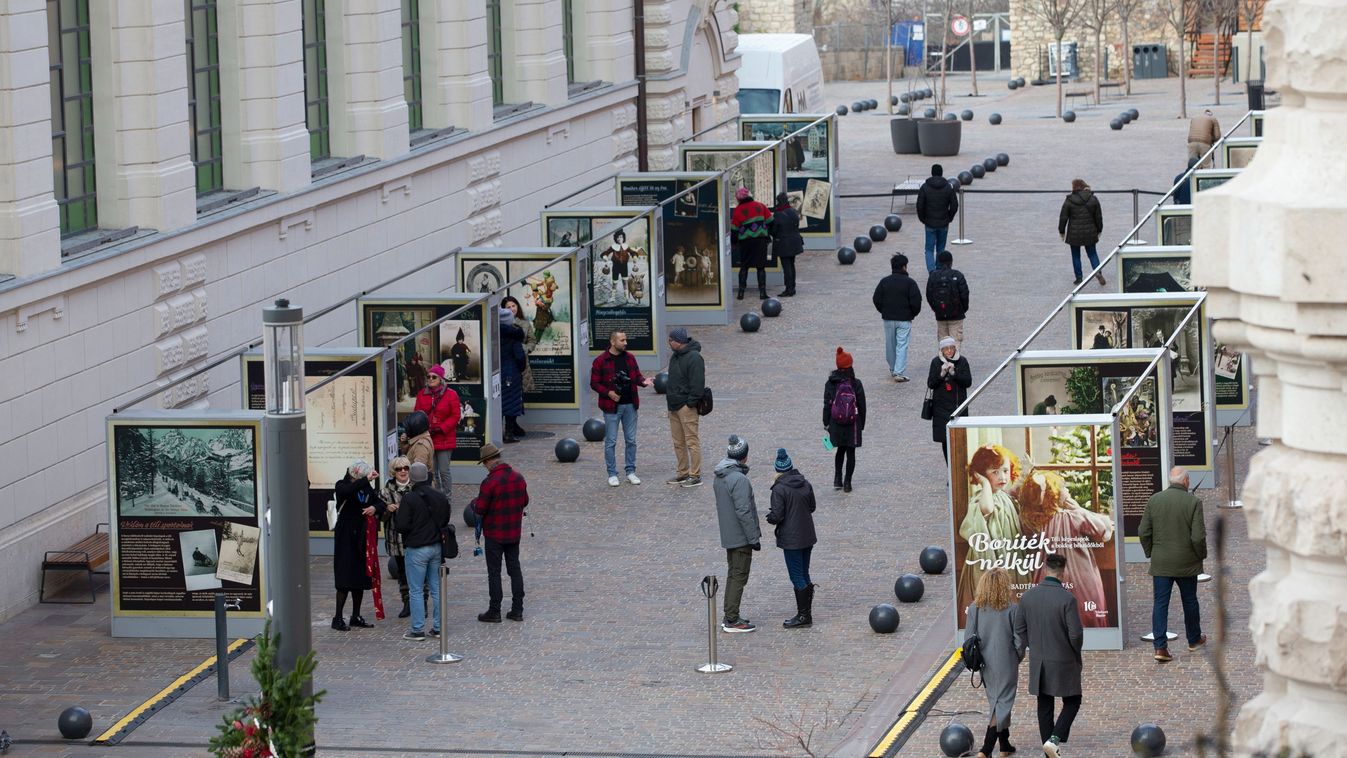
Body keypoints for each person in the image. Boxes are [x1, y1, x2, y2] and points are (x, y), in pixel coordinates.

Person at [1019, 469, 1115, 628]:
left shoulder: (1033, 522)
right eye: (1062, 487)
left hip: (1046, 577)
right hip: (1080, 578)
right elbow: (1103, 530)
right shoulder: (1073, 516)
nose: (1067, 490)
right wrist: (1079, 508)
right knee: (1084, 614)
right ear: (1053, 494)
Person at [1014, 553, 1084, 758]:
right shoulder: (1067, 599)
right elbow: (1076, 634)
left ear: (1045, 570)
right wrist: (1074, 650)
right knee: (1073, 700)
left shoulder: (1027, 597)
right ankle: (1054, 740)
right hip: (1064, 659)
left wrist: (1032, 648)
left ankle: (1048, 750)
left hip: (1039, 660)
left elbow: (1020, 629)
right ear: (1063, 572)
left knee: (1044, 705)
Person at [1139, 466, 1207, 663]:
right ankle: (1194, 640)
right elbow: (1197, 537)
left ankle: (1160, 647)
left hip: (1161, 562)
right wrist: (1200, 555)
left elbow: (1144, 531)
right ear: (1186, 481)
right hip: (1187, 562)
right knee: (1190, 601)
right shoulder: (1194, 502)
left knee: (1160, 603)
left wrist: (1151, 552)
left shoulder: (1155, 500)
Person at [965, 568, 1025, 758]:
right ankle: (986, 749)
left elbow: (968, 639)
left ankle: (1005, 744)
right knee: (1002, 702)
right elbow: (1019, 640)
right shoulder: (1013, 609)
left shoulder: (974, 608)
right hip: (1006, 661)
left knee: (996, 700)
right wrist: (1017, 656)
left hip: (985, 663)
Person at [959, 444, 1025, 610]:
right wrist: (985, 484)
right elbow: (987, 509)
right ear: (981, 473)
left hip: (1009, 557)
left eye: (1005, 470)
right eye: (994, 472)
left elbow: (1015, 493)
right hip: (991, 561)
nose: (1002, 476)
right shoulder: (981, 499)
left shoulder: (1004, 497)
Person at [470, 443, 528, 622]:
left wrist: (474, 503)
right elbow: (524, 501)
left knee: (494, 572)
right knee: (515, 569)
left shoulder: (489, 482)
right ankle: (517, 609)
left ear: (488, 461)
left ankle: (494, 611)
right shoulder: (518, 477)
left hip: (495, 534)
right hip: (513, 532)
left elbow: (480, 509)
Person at [393, 461, 450, 640]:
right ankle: (439, 627)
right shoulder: (439, 496)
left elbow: (401, 525)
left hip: (417, 548)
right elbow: (445, 518)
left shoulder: (410, 498)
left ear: (412, 477)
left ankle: (417, 629)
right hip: (436, 547)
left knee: (416, 590)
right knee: (436, 588)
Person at [589, 330, 653, 487]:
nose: (625, 343)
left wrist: (644, 381)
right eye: (622, 340)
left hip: (630, 404)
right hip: (611, 408)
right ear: (613, 342)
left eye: (626, 340)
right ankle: (612, 473)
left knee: (631, 440)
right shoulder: (600, 361)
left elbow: (636, 377)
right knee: (611, 441)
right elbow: (594, 383)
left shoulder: (630, 358)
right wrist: (608, 393)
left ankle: (630, 471)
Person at [713, 434, 762, 633]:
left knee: (734, 575)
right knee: (739, 576)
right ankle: (732, 618)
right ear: (744, 456)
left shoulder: (721, 476)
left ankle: (730, 615)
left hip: (729, 535)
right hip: (740, 537)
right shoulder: (739, 479)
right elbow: (744, 511)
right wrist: (753, 538)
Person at [765, 448, 817, 628]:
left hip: (792, 539)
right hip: (807, 536)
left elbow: (777, 516)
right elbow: (812, 507)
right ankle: (806, 614)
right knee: (804, 572)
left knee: (797, 576)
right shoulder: (805, 483)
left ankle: (803, 616)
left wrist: (770, 517)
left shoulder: (779, 489)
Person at [332, 460, 383, 631]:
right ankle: (338, 617)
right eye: (358, 478)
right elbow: (347, 491)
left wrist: (374, 509)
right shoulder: (342, 485)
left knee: (360, 578)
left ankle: (356, 615)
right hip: (346, 537)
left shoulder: (366, 488)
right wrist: (365, 480)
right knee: (344, 578)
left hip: (362, 538)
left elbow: (379, 503)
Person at [665, 327, 706, 488]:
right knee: (678, 442)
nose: (669, 342)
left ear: (679, 342)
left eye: (671, 340)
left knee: (691, 441)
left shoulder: (694, 358)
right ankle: (682, 473)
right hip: (674, 406)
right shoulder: (675, 356)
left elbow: (697, 384)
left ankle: (695, 475)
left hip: (686, 407)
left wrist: (690, 403)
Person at [872, 254, 922, 382]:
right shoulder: (910, 283)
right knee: (902, 345)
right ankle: (898, 371)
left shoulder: (884, 281)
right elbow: (916, 302)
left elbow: (876, 299)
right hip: (904, 319)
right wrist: (912, 314)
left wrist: (883, 311)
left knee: (890, 345)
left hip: (888, 319)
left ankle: (893, 368)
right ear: (904, 267)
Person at [823, 347, 867, 492]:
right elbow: (862, 405)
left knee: (840, 451)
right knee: (851, 452)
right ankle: (847, 483)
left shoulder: (831, 383)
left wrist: (826, 423)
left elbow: (827, 405)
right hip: (853, 423)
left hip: (836, 422)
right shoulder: (856, 383)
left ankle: (837, 479)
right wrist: (862, 424)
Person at [413, 365, 461, 493]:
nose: (430, 379)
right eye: (428, 376)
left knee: (444, 471)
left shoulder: (451, 394)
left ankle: (447, 498)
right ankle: (436, 497)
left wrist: (441, 428)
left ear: (440, 379)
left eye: (434, 377)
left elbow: (456, 415)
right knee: (431, 471)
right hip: (428, 438)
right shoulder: (421, 394)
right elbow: (417, 414)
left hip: (444, 437)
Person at [380, 456, 414, 619]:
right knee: (402, 572)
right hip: (396, 539)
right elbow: (380, 517)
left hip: (415, 538)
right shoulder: (386, 491)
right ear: (394, 471)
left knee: (418, 571)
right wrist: (387, 509)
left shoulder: (415, 488)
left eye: (406, 468)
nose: (403, 471)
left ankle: (421, 601)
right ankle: (407, 602)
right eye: (399, 469)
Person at [927, 337, 972, 462]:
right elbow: (931, 383)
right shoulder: (936, 362)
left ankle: (959, 469)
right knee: (945, 441)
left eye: (951, 348)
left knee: (960, 440)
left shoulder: (962, 361)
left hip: (958, 407)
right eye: (946, 349)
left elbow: (967, 382)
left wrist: (954, 374)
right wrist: (941, 375)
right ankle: (950, 472)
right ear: (941, 350)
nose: (949, 351)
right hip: (941, 409)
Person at [1058, 179, 1106, 287]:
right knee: (1092, 254)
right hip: (1090, 233)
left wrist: (1061, 231)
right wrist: (1099, 229)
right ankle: (1098, 272)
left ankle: (1079, 278)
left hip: (1074, 234)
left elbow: (1063, 217)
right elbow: (1098, 217)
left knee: (1076, 256)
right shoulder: (1093, 199)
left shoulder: (1069, 200)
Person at [915, 164, 959, 273]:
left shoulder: (925, 187)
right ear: (942, 173)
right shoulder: (948, 187)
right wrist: (949, 217)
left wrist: (923, 219)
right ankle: (939, 269)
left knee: (929, 249)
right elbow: (954, 205)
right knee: (941, 248)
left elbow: (919, 205)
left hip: (929, 222)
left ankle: (931, 271)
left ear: (932, 173)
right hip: (943, 222)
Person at [730, 186, 772, 300]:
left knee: (744, 267)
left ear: (739, 198)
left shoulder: (738, 210)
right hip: (760, 241)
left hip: (745, 242)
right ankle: (762, 293)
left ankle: (740, 293)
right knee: (760, 267)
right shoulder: (760, 206)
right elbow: (771, 221)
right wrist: (767, 233)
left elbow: (734, 229)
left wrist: (734, 243)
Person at [925, 250, 970, 346]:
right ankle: (953, 361)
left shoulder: (933, 276)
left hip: (940, 314)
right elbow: (965, 295)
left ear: (939, 262)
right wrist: (962, 310)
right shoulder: (958, 275)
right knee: (955, 344)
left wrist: (936, 308)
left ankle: (945, 361)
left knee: (943, 345)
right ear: (951, 261)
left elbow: (929, 295)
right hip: (956, 315)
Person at [498, 306, 528, 443]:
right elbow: (520, 356)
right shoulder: (514, 335)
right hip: (511, 372)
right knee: (512, 401)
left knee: (500, 402)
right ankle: (509, 432)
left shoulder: (493, 334)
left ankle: (498, 431)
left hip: (497, 372)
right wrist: (520, 368)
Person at [769, 192, 804, 297]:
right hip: (794, 242)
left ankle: (789, 289)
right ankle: (792, 287)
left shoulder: (778, 214)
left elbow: (774, 231)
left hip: (784, 243)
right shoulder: (793, 211)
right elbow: (797, 224)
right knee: (791, 265)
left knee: (786, 267)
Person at [502, 296, 537, 392]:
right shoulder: (500, 324)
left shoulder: (525, 323)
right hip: (505, 361)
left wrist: (525, 348)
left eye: (513, 306)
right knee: (507, 390)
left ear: (517, 306)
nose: (512, 309)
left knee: (520, 392)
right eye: (508, 307)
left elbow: (532, 340)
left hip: (522, 361)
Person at [402, 410, 434, 476]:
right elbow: (406, 453)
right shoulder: (420, 438)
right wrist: (404, 442)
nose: (406, 431)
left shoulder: (421, 446)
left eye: (408, 429)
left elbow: (418, 473)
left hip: (418, 484)